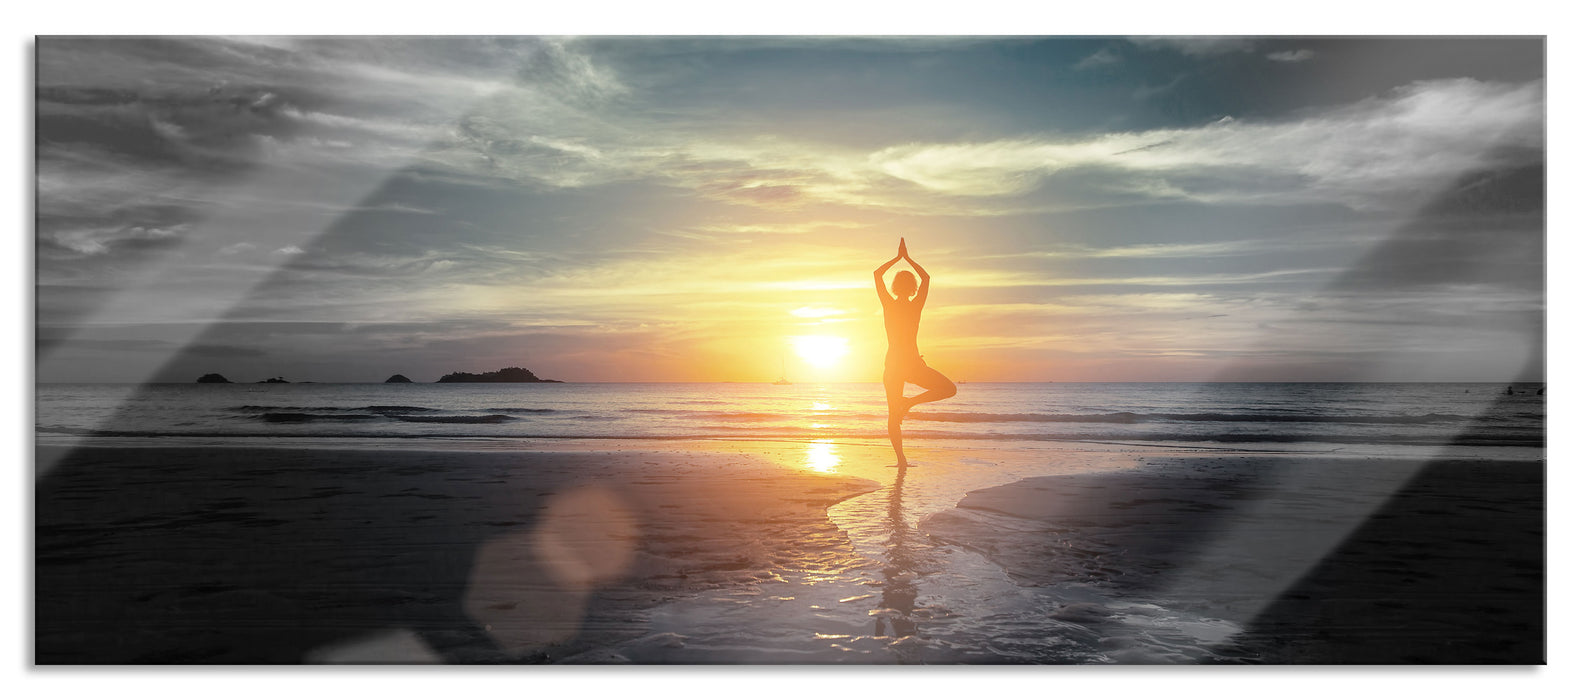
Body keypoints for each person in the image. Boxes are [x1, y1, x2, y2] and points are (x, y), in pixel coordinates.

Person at [874, 238, 956, 466]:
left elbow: (877, 274)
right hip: (910, 363)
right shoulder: (915, 305)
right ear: (913, 288)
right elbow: (927, 278)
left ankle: (901, 460)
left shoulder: (888, 305)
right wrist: (908, 259)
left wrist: (897, 258)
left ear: (894, 287)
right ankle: (909, 403)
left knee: (893, 414)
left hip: (893, 364)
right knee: (949, 389)